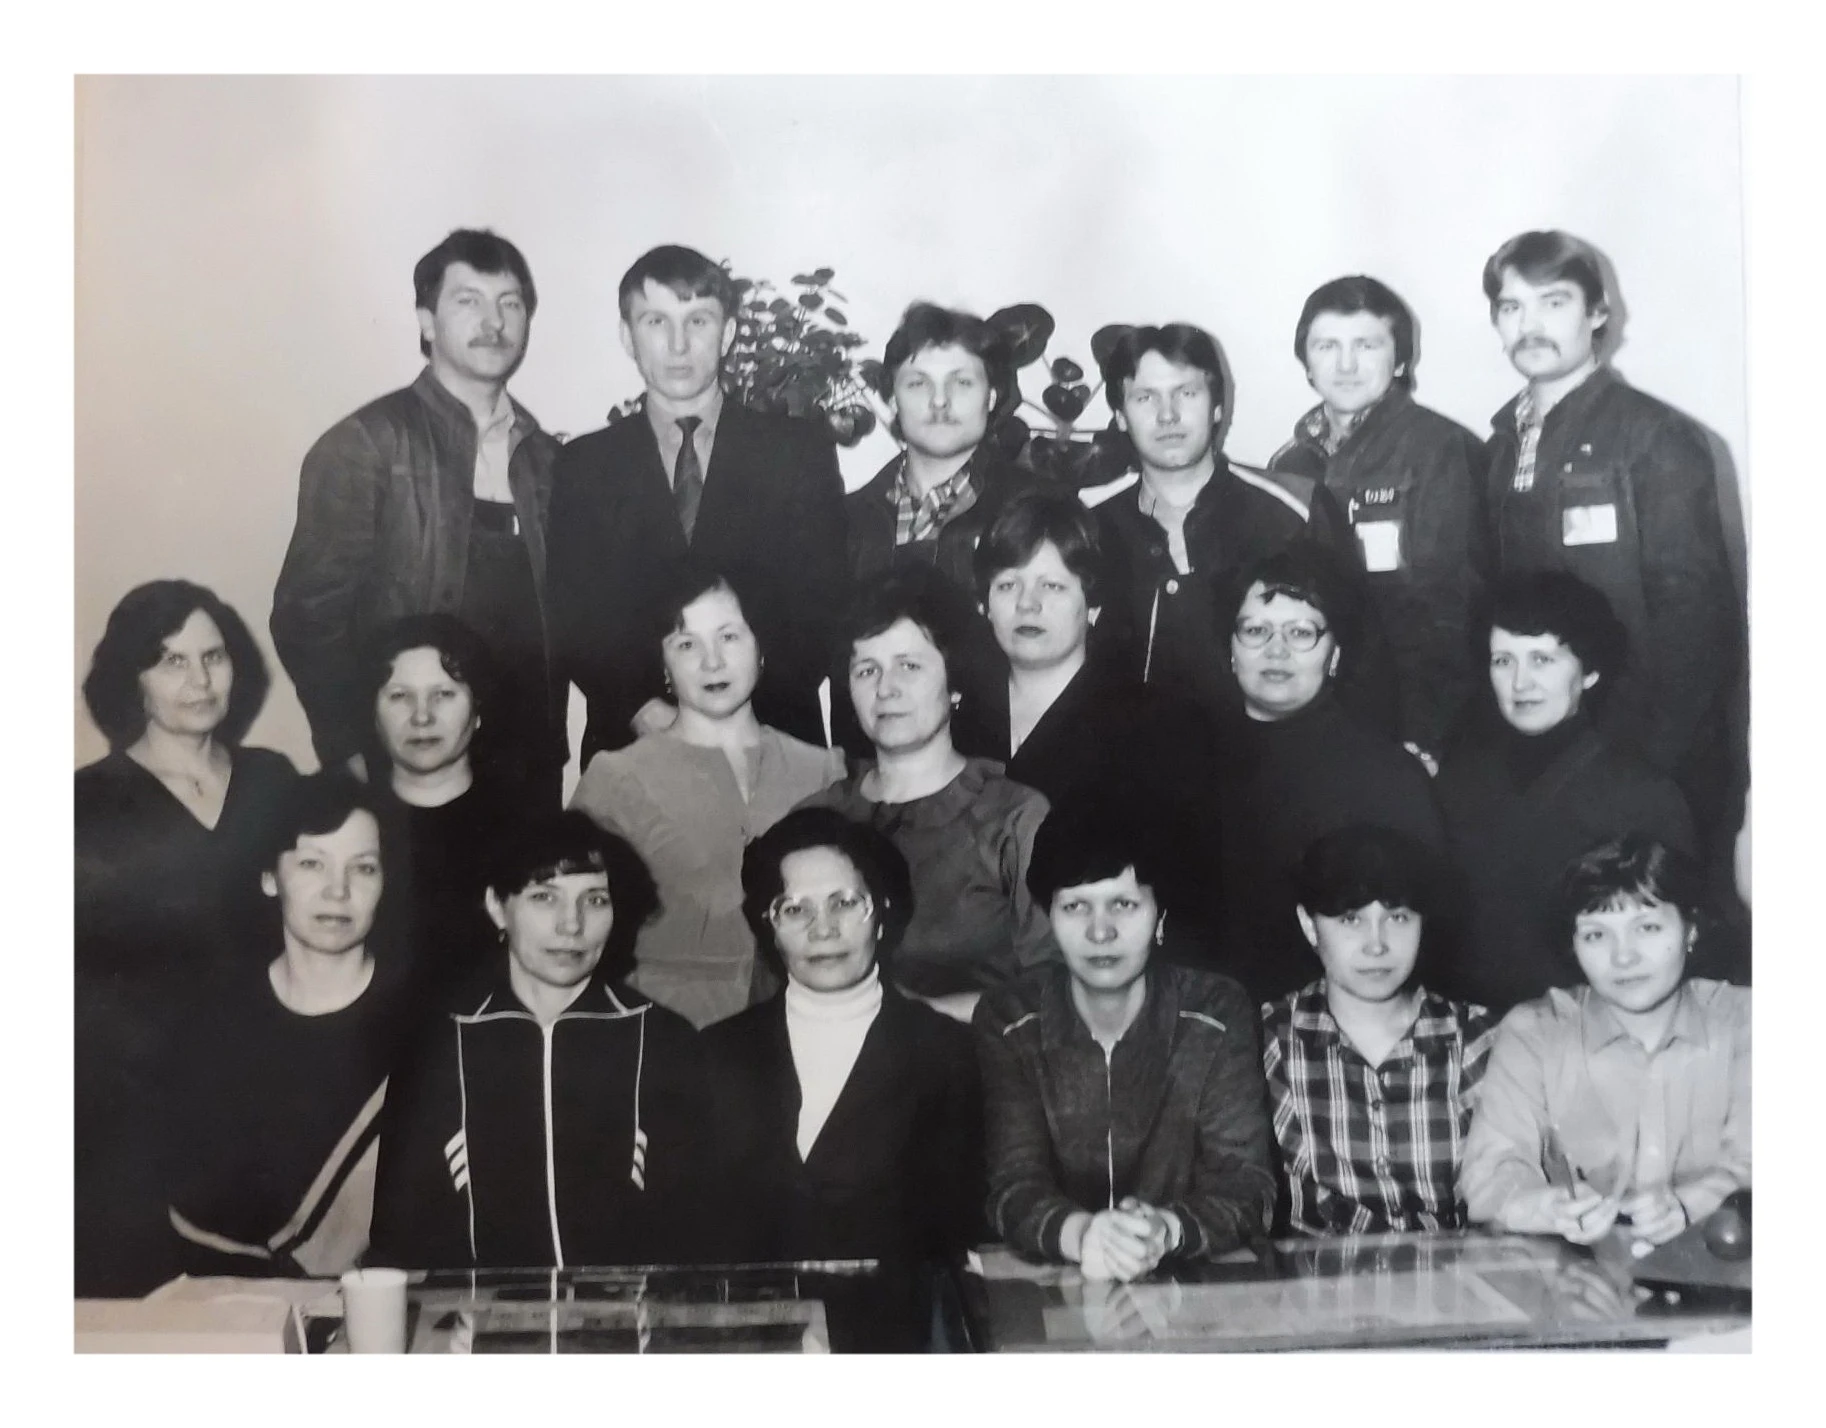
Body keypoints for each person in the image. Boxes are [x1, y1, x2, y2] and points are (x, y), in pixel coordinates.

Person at [271, 229, 565, 805]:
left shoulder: (547, 459)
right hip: (408, 761)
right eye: (468, 301)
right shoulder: (367, 444)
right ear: (427, 321)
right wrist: (348, 746)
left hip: (528, 765)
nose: (494, 322)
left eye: (509, 304)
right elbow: (307, 616)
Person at [75, 579, 299, 1295]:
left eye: (213, 656)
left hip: (268, 1091)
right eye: (171, 660)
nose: (200, 680)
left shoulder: (274, 781)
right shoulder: (83, 803)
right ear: (131, 679)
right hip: (138, 1116)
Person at [1479, 229, 1742, 830]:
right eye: (1511, 307)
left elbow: (1697, 631)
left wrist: (1644, 772)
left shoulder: (1658, 438)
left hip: (1647, 766)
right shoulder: (1499, 449)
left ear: (1597, 312)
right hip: (1544, 758)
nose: (1529, 325)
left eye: (1553, 302)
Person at [547, 243, 849, 761]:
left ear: (727, 333)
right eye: (656, 322)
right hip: (635, 746)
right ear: (627, 336)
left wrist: (737, 719)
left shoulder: (797, 452)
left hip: (773, 743)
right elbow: (574, 616)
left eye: (698, 321)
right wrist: (647, 711)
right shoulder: (584, 465)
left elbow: (822, 609)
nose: (678, 344)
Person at [369, 812, 703, 1270]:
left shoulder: (666, 1040)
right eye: (544, 897)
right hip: (473, 1312)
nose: (572, 925)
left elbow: (695, 1231)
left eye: (595, 900)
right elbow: (399, 1233)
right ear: (496, 906)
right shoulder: (439, 1043)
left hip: (628, 1312)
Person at [701, 809, 982, 1349]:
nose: (822, 928)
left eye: (844, 903)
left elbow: (959, 1234)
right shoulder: (716, 1053)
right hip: (747, 1347)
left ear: (883, 913)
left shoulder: (947, 1052)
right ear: (768, 926)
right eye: (795, 909)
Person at [974, 792, 1274, 1279]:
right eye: (1075, 906)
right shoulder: (1009, 1018)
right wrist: (1084, 1235)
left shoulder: (1216, 1011)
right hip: (1056, 1280)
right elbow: (1013, 1184)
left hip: (1192, 1282)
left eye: (1123, 904)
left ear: (1161, 915)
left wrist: (1164, 1230)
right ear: (1049, 916)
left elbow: (1246, 1184)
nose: (1101, 932)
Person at [570, 565, 845, 1028]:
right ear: (663, 665)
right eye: (686, 644)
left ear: (760, 647)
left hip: (801, 1026)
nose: (711, 662)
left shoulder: (823, 770)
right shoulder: (615, 779)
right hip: (664, 1031)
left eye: (729, 637)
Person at [166, 774, 407, 1278]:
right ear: (270, 877)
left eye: (363, 868)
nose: (338, 891)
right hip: (224, 1298)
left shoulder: (425, 1025)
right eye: (312, 864)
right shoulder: (208, 1024)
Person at [1462, 835, 1750, 1253]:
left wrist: (1689, 1204)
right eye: (1596, 935)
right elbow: (1490, 1172)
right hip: (1579, 1277)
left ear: (1691, 929)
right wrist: (1546, 1207)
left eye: (1647, 928)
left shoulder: (1748, 1022)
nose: (1623, 957)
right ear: (1573, 944)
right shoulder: (1535, 1033)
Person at [797, 566, 1053, 1025]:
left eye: (909, 666)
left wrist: (907, 1019)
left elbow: (1060, 990)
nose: (886, 689)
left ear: (954, 684)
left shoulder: (1015, 818)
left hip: (981, 1059)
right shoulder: (817, 818)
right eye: (867, 670)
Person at [1435, 571, 1695, 1014]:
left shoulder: (1644, 794)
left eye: (1542, 660)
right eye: (1503, 661)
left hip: (1590, 1030)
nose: (1520, 683)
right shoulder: (1457, 781)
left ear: (1589, 671)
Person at [970, 487, 1223, 940]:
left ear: (1094, 606)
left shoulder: (1156, 726)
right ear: (985, 605)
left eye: (1052, 586)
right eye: (1008, 585)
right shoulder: (952, 720)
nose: (1027, 604)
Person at [1087, 322, 1362, 726]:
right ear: (1120, 416)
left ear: (1217, 406)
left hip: (1270, 754)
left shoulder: (1296, 510)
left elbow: (1358, 650)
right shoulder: (1088, 522)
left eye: (1186, 393)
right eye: (1145, 397)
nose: (1168, 415)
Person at [1269, 275, 1491, 769]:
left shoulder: (1442, 451)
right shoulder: (1288, 464)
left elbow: (1455, 615)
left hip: (1411, 724)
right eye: (1327, 346)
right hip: (1314, 719)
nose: (1346, 365)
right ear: (1306, 361)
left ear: (1402, 359)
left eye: (1366, 345)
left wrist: (1427, 737)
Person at [1212, 545, 1445, 1006]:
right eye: (1255, 630)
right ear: (1231, 649)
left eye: (1301, 633)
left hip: (1331, 1028)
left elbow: (1422, 937)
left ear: (1335, 654)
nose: (1276, 650)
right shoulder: (1188, 764)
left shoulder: (1387, 777)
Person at [1261, 826, 1497, 1236]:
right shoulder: (1267, 1039)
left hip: (1454, 1274)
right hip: (1317, 1275)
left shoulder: (1479, 1038)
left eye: (1398, 917)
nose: (1377, 945)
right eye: (1350, 919)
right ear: (1309, 925)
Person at [836, 301, 1041, 757]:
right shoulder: (845, 520)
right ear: (892, 399)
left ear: (992, 396)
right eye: (918, 383)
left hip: (1004, 771)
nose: (940, 401)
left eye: (961, 382)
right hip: (872, 773)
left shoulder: (1037, 509)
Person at [359, 612, 522, 1000]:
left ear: (478, 709)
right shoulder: (344, 827)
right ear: (373, 714)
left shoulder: (525, 827)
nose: (422, 716)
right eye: (400, 696)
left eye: (443, 695)